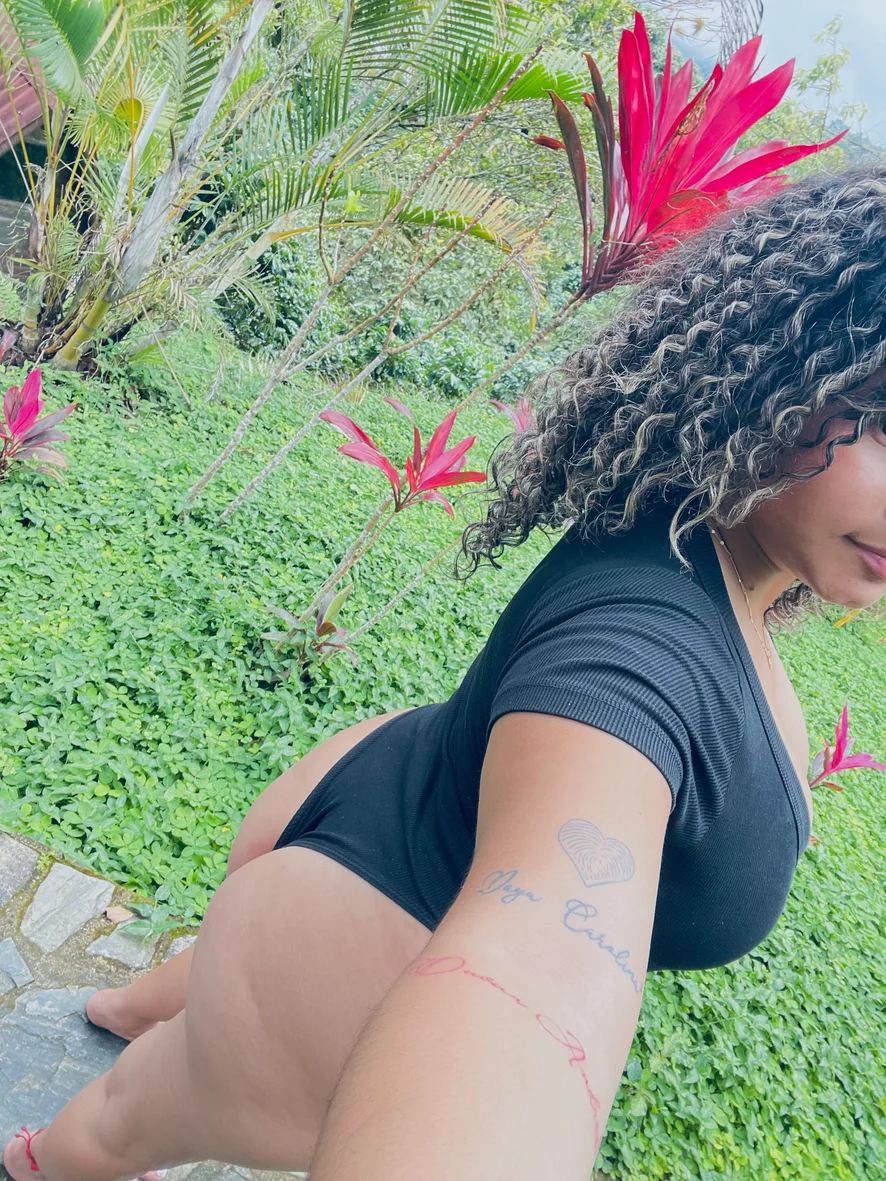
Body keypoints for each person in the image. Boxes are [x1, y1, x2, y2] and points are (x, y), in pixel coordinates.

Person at [6, 161, 886, 1181]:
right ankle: (37, 1155)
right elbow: (527, 975)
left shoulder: (703, 533)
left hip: (370, 794)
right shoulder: (640, 645)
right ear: (771, 376)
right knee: (119, 1123)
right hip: (329, 955)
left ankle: (126, 1001)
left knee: (180, 1020)